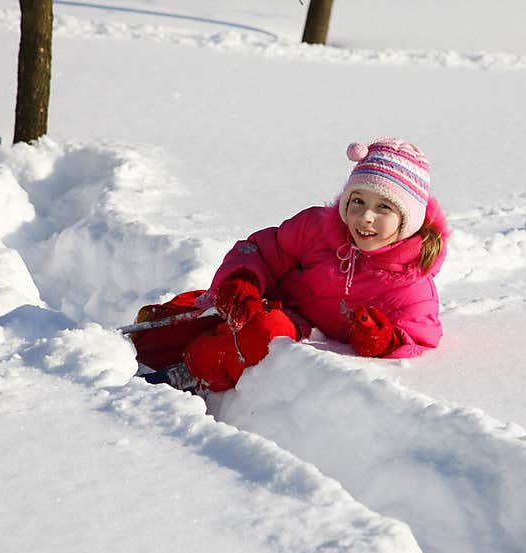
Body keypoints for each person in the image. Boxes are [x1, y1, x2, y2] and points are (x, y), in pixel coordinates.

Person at [131, 137, 450, 393]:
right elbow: (260, 249)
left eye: (383, 208)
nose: (366, 217)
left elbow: (421, 335)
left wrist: (382, 340)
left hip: (301, 328)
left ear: (408, 221)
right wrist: (241, 280)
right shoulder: (318, 229)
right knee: (205, 313)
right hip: (272, 300)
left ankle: (192, 372)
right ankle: (135, 345)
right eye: (357, 202)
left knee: (265, 332)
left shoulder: (410, 282)